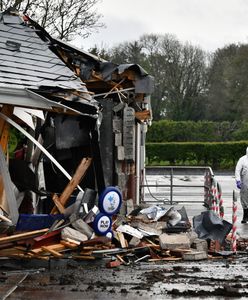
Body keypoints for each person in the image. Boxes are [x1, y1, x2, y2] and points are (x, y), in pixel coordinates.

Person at [235, 146, 248, 223]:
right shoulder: (242, 159)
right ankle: (245, 216)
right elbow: (237, 170)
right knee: (244, 199)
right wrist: (238, 180)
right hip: (245, 183)